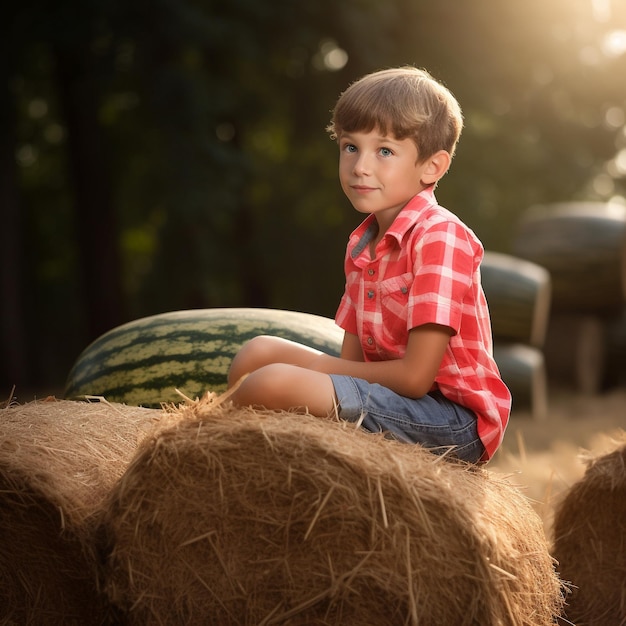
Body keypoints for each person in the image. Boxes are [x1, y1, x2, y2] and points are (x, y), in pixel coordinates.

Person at [227, 66, 511, 463]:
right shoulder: (362, 246)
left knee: (272, 382)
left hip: (452, 421)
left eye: (385, 151)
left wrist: (317, 367)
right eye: (350, 147)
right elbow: (353, 363)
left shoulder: (440, 237)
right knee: (254, 355)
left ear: (432, 166)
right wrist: (326, 372)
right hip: (391, 399)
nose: (360, 166)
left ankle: (226, 450)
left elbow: (415, 378)